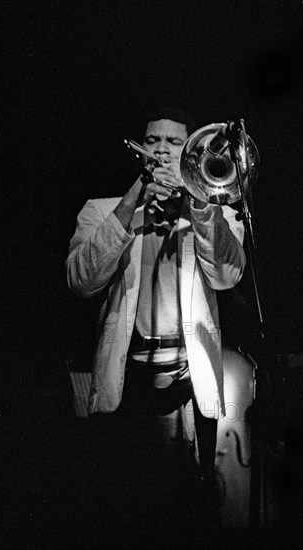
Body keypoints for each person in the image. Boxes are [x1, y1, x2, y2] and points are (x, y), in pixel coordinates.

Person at [65, 106, 246, 543]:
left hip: (187, 381)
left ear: (191, 150)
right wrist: (134, 201)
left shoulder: (218, 213)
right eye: (152, 141)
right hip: (126, 381)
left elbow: (226, 275)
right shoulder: (102, 209)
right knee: (124, 511)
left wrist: (201, 205)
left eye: (172, 141)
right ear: (140, 151)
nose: (162, 150)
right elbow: (81, 281)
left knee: (187, 511)